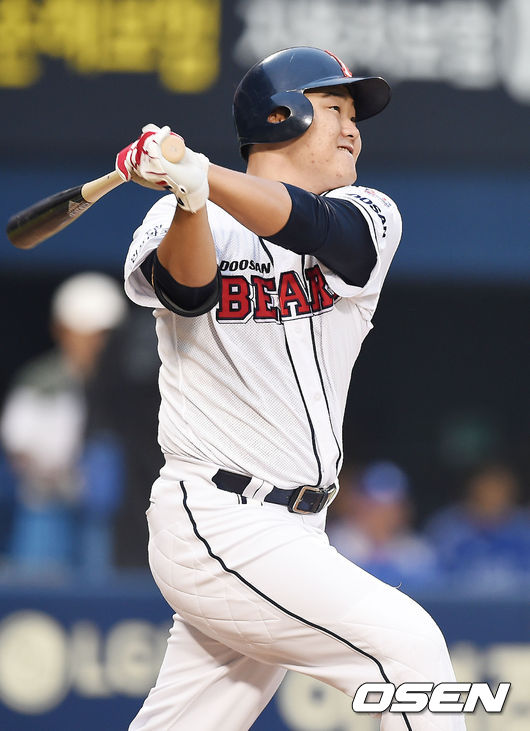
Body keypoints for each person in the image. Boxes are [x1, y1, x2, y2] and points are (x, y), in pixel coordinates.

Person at [117, 47, 465, 730]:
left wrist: (200, 173)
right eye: (335, 108)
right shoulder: (175, 217)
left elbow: (323, 230)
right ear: (279, 116)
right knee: (407, 647)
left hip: (298, 525)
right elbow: (187, 291)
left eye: (354, 115)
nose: (353, 128)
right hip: (215, 512)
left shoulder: (370, 210)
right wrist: (190, 198)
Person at [0, 272, 126, 577]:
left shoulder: (125, 385)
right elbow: (16, 442)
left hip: (103, 516)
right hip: (46, 508)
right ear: (62, 331)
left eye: (102, 335)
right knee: (37, 584)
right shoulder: (41, 380)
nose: (94, 344)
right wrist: (53, 470)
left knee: (101, 585)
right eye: (85, 334)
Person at [327, 460, 438, 589]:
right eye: (373, 505)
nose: (381, 515)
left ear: (404, 509)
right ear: (357, 503)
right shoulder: (334, 541)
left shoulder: (418, 549)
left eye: (390, 507)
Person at [424, 461, 530, 593]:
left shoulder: (524, 528)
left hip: (518, 605)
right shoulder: (447, 528)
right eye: (487, 488)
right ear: (473, 490)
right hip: (457, 603)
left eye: (498, 488)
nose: (492, 495)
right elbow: (430, 578)